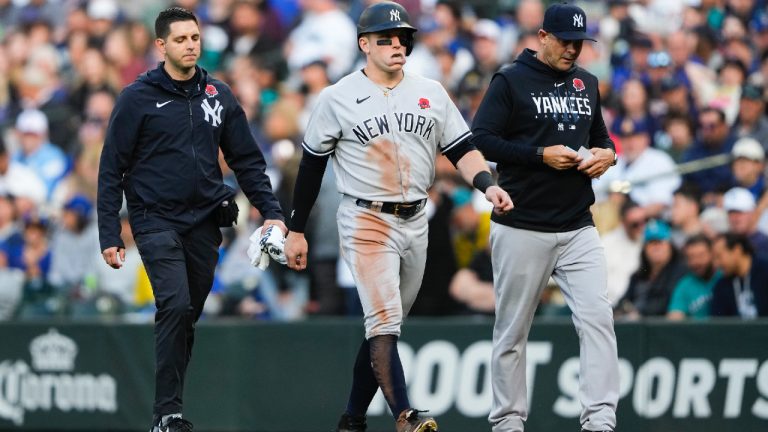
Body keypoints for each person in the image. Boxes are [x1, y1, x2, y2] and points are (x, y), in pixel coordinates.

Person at [282, 3, 513, 432]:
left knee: (384, 328)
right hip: (366, 217)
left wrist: (487, 184)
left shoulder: (431, 91)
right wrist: (296, 230)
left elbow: (461, 148)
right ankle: (405, 415)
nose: (396, 45)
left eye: (402, 38)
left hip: (416, 218)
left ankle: (352, 420)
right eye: (385, 38)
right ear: (364, 44)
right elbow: (311, 166)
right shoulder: (336, 97)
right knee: (384, 320)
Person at [97, 8, 286, 432]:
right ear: (161, 45)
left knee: (187, 315)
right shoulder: (136, 98)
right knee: (175, 305)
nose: (191, 45)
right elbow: (112, 168)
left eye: (195, 37)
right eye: (181, 39)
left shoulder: (219, 95)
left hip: (205, 221)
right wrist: (110, 231)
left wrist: (273, 213)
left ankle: (170, 410)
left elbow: (248, 162)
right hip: (154, 220)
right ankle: (167, 414)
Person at [471, 4, 619, 432]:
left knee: (598, 319)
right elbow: (481, 138)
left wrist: (608, 155)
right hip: (522, 223)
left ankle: (600, 420)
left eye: (579, 42)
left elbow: (601, 139)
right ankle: (508, 422)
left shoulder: (585, 83)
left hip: (577, 224)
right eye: (565, 41)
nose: (573, 49)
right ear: (542, 36)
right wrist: (539, 155)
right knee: (512, 333)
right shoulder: (510, 79)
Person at [711, 233, 768, 318]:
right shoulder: (721, 286)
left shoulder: (765, 270)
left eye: (719, 256)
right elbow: (718, 324)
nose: (716, 264)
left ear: (737, 250)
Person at [666, 234, 720, 320]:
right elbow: (675, 317)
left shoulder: (724, 277)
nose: (696, 262)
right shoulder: (685, 285)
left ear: (712, 254)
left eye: (701, 255)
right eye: (691, 257)